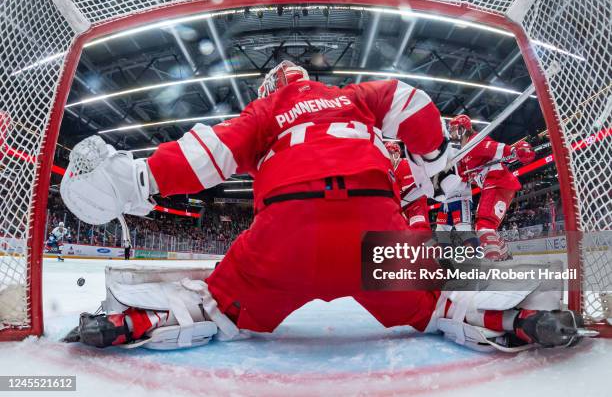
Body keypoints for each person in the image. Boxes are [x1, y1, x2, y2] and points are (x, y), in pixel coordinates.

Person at [60, 61, 584, 350]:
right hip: (373, 231)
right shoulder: (356, 98)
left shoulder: (268, 111)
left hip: (288, 231)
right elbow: (411, 101)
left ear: (271, 88)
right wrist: (433, 155)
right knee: (432, 305)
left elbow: (211, 154)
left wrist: (139, 179)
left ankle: (133, 325)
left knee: (215, 305)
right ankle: (517, 320)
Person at [449, 115, 535, 260]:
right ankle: (504, 254)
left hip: (497, 182)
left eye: (452, 129)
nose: (450, 133)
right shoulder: (464, 152)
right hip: (494, 185)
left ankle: (492, 260)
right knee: (486, 224)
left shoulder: (475, 142)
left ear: (462, 130)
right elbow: (465, 174)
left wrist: (516, 151)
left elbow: (500, 149)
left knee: (484, 224)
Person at [384, 141, 430, 232]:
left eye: (388, 153)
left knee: (419, 230)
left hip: (416, 204)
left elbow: (413, 189)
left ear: (396, 154)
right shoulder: (390, 171)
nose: (386, 157)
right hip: (403, 208)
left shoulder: (406, 165)